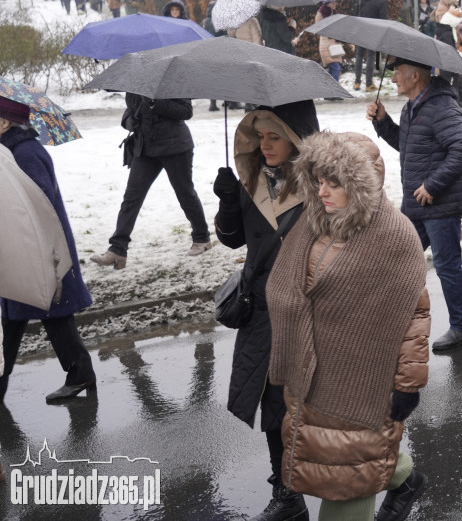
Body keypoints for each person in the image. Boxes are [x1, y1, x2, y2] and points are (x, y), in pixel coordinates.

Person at [265, 130, 431, 521]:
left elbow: (415, 316)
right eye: (319, 180)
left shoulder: (394, 236)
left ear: (360, 185)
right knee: (333, 456)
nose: (323, 191)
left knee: (349, 473)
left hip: (364, 385)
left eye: (334, 183)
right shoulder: (310, 225)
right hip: (312, 377)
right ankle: (405, 479)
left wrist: (407, 385)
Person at [211, 101, 319, 521]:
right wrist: (225, 201)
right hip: (261, 309)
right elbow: (233, 239)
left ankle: (390, 475)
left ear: (294, 138)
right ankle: (287, 493)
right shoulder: (251, 177)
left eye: (274, 135)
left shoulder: (318, 183)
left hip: (305, 308)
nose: (264, 144)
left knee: (315, 405)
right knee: (273, 402)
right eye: (259, 136)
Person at [367, 58, 462, 351]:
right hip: (417, 205)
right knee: (398, 259)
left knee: (447, 266)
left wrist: (432, 185)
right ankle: (393, 325)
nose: (392, 80)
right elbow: (409, 146)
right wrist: (382, 121)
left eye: (397, 74)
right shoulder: (413, 106)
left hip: (440, 204)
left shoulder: (441, 106)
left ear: (415, 76)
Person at [0, 98, 96, 404]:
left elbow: (37, 203)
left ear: (4, 122)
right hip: (18, 248)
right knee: (12, 320)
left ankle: (81, 373)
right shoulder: (9, 151)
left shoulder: (26, 153)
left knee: (53, 315)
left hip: (39, 250)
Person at [90, 95, 211, 268]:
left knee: (185, 193)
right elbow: (130, 110)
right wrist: (128, 121)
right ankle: (117, 249)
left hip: (175, 147)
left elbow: (186, 112)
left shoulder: (173, 80)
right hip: (145, 149)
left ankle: (202, 238)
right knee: (131, 198)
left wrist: (156, 104)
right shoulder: (137, 84)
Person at [434, 0, 462, 106]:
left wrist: (461, 41)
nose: (456, 0)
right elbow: (445, 28)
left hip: (452, 42)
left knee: (456, 74)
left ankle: (461, 98)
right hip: (446, 44)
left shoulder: (449, 8)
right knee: (449, 75)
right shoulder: (442, 9)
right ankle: (451, 100)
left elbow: (455, 29)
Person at [354, 0, 387, 91]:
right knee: (371, 56)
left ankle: (357, 82)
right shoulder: (381, 0)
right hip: (373, 31)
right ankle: (369, 84)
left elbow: (356, 14)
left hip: (361, 30)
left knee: (359, 56)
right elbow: (383, 19)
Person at [316, 0, 345, 82]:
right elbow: (322, 28)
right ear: (329, 3)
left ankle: (330, 92)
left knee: (333, 69)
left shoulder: (332, 12)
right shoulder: (323, 12)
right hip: (327, 44)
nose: (336, 3)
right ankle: (334, 92)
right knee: (336, 68)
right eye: (334, 2)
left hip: (333, 44)